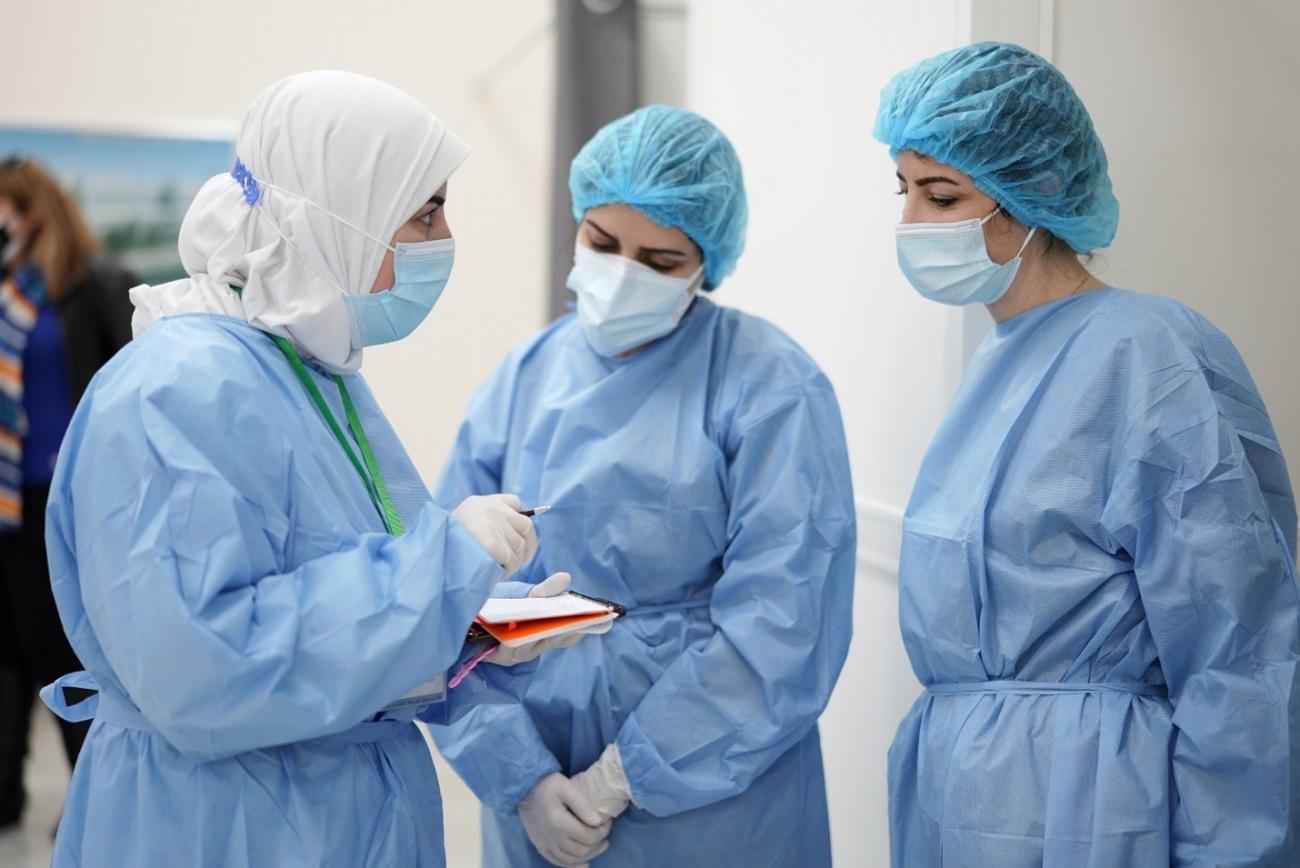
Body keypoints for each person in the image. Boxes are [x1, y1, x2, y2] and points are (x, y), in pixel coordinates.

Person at [37, 71, 583, 868]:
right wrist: (441, 572)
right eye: (423, 212)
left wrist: (462, 627)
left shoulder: (305, 371)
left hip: (321, 806)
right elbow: (200, 667)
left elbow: (320, 597)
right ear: (336, 215)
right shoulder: (177, 391)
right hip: (223, 825)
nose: (442, 239)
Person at [876, 41, 1299, 866]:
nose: (909, 223)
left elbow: (1238, 654)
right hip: (960, 804)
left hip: (1094, 808)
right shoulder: (1000, 357)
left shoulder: (1150, 352)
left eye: (941, 194)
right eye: (904, 190)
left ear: (1029, 198)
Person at [431, 105, 857, 867]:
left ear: (707, 263)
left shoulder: (770, 385)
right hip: (537, 792)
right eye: (601, 243)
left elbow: (786, 625)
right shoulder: (522, 379)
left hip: (719, 805)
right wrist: (520, 777)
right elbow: (444, 603)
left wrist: (626, 776)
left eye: (659, 262)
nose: (623, 273)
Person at [0, 157, 136, 828]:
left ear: (37, 210)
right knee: (11, 648)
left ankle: (96, 798)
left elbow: (137, 384)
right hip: (8, 500)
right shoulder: (7, 290)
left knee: (66, 651)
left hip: (71, 497)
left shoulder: (98, 284)